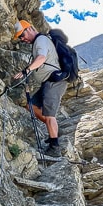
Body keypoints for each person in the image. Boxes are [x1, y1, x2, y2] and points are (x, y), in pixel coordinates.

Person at [12, 20, 67, 157]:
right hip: (46, 82)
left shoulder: (41, 40)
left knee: (49, 115)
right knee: (31, 107)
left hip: (54, 82)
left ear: (29, 29)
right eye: (20, 37)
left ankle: (54, 147)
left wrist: (27, 70)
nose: (22, 39)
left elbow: (41, 58)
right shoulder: (38, 42)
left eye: (22, 35)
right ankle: (54, 131)